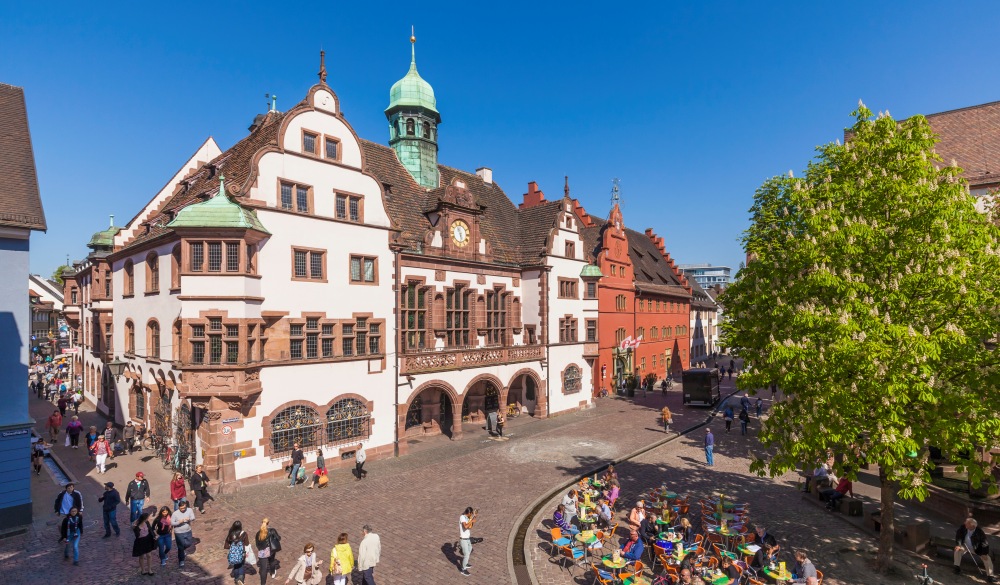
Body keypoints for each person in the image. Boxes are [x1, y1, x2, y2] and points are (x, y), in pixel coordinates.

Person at [954, 517, 994, 581]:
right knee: (957, 550)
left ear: (972, 525)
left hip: (976, 548)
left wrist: (984, 553)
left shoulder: (979, 532)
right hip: (965, 546)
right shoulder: (963, 527)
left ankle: (990, 576)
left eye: (967, 523)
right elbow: (958, 536)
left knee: (987, 558)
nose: (965, 523)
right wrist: (958, 545)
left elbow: (985, 543)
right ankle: (956, 567)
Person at [256, 518, 283, 584]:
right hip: (271, 549)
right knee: (272, 560)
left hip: (262, 551)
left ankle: (263, 583)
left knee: (263, 569)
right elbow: (278, 538)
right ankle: (273, 573)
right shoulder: (272, 530)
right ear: (268, 523)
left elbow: (257, 543)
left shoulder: (258, 533)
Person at [171, 500, 196, 568]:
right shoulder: (175, 514)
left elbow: (193, 517)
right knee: (180, 547)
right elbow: (172, 523)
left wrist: (189, 519)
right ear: (179, 507)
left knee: (189, 543)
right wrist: (179, 522)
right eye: (181, 508)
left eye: (184, 508)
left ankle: (182, 550)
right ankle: (181, 560)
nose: (183, 509)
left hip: (187, 530)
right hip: (179, 532)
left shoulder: (189, 510)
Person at [225, 520, 251, 585]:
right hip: (242, 553)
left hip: (234, 554)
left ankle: (236, 579)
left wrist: (232, 547)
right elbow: (247, 543)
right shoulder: (244, 533)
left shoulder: (231, 534)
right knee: (241, 565)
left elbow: (226, 546)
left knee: (236, 566)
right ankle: (241, 579)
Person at [132, 510, 157, 576]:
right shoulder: (136, 524)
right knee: (141, 556)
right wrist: (134, 527)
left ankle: (149, 569)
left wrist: (154, 536)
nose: (148, 519)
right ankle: (143, 570)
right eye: (147, 518)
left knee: (149, 555)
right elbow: (136, 533)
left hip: (147, 540)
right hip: (140, 541)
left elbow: (150, 530)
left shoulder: (147, 522)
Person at [458, 507, 477, 576]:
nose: (471, 515)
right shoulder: (462, 517)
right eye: (471, 514)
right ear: (468, 513)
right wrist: (471, 521)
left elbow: (470, 527)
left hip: (467, 538)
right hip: (463, 539)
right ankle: (463, 569)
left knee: (470, 550)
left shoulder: (468, 518)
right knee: (466, 554)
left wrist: (474, 517)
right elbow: (465, 526)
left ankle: (465, 563)